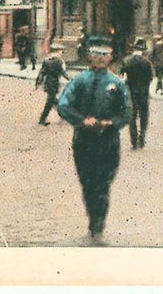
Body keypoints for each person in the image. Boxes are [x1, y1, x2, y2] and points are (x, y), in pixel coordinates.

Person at [57, 40, 132, 243]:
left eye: (104, 54)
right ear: (89, 57)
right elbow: (64, 105)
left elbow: (127, 112)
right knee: (87, 183)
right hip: (84, 140)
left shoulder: (117, 84)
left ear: (110, 58)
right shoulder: (79, 81)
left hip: (108, 141)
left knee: (103, 183)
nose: (100, 58)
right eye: (96, 54)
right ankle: (93, 218)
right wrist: (81, 120)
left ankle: (99, 223)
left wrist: (112, 122)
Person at [121, 38, 154, 147]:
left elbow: (122, 76)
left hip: (131, 92)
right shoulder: (147, 62)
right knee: (144, 116)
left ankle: (134, 140)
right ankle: (142, 137)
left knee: (132, 116)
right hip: (143, 93)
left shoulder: (127, 61)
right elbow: (150, 77)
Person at [35, 42, 70, 125]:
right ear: (57, 51)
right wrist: (70, 79)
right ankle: (42, 120)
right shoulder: (58, 61)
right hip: (54, 83)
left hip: (48, 82)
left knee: (54, 101)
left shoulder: (47, 60)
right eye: (61, 51)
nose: (61, 53)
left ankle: (64, 115)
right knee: (50, 103)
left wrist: (38, 83)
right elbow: (63, 72)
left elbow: (42, 73)